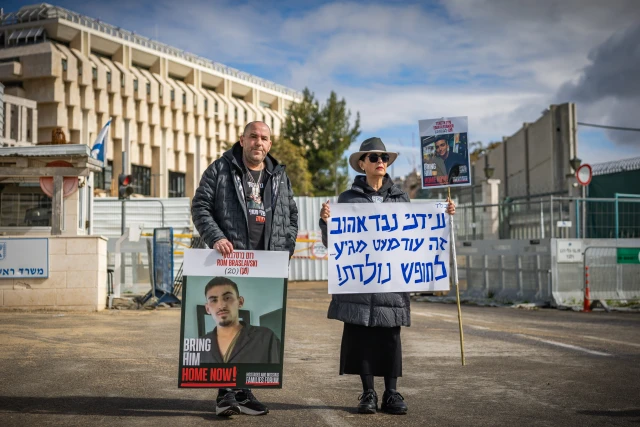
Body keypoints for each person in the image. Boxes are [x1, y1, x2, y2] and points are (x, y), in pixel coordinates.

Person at [319, 137, 456, 416]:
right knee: (361, 337)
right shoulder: (347, 199)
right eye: (373, 157)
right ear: (362, 164)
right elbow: (333, 242)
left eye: (384, 157)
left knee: (390, 337)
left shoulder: (400, 196)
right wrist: (325, 222)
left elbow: (415, 234)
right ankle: (368, 393)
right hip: (360, 281)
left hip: (392, 282)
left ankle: (391, 394)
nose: (380, 161)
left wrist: (445, 214)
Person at [192, 121, 298, 417]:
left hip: (265, 264)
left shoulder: (279, 176)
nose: (258, 142)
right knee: (228, 324)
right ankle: (225, 393)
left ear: (270, 145)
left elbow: (291, 215)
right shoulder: (220, 169)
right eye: (253, 136)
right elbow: (200, 206)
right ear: (242, 140)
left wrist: (284, 250)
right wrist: (216, 237)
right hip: (230, 261)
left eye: (264, 138)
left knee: (250, 329)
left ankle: (244, 391)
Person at [199, 277, 281, 365]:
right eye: (214, 300)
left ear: (240, 302)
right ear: (207, 309)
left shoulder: (266, 338)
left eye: (227, 298)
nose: (221, 305)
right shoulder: (199, 345)